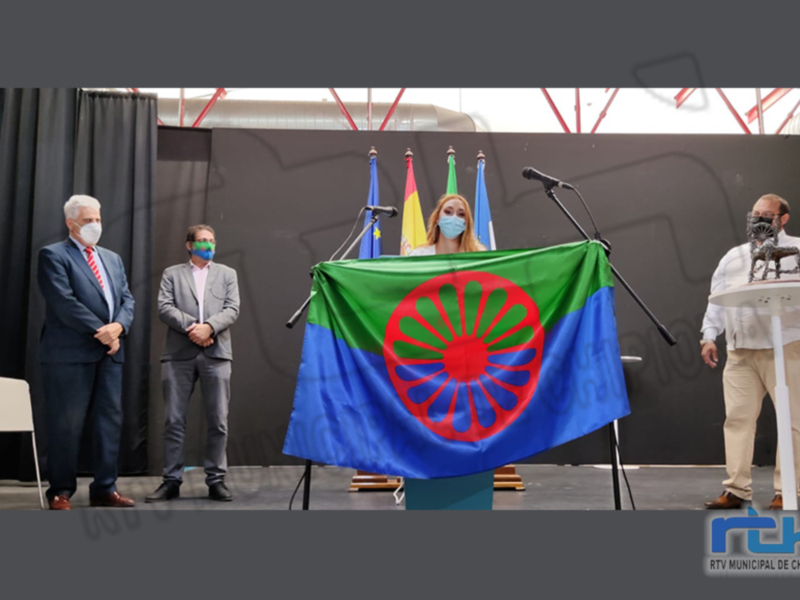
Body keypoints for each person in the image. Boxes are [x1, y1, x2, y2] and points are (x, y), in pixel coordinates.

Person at [701, 194, 800, 510]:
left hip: (785, 345)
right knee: (737, 421)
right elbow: (717, 298)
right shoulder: (734, 257)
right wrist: (709, 336)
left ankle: (787, 491)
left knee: (792, 422)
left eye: (766, 214)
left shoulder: (796, 250)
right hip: (740, 351)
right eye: (755, 213)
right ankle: (736, 490)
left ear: (783, 218)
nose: (759, 218)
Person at [37, 195, 136, 510]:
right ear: (71, 224)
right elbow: (64, 302)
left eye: (98, 220)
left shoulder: (112, 258)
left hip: (110, 355)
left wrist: (118, 327)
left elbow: (127, 299)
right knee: (66, 424)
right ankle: (60, 490)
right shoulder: (53, 255)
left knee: (109, 423)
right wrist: (103, 332)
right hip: (69, 355)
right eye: (87, 221)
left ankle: (105, 488)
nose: (95, 225)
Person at [146, 225, 240, 503]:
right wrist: (194, 329)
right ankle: (171, 481)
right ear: (189, 245)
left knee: (218, 421)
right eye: (202, 241)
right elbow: (165, 307)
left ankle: (216, 480)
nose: (208, 246)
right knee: (174, 420)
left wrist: (209, 327)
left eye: (212, 241)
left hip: (217, 353)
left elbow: (232, 308)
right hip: (178, 355)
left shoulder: (227, 274)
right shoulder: (172, 274)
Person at [409, 193, 485, 257]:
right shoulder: (419, 256)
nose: (454, 217)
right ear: (437, 218)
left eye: (461, 214)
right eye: (448, 212)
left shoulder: (478, 257)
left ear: (466, 223)